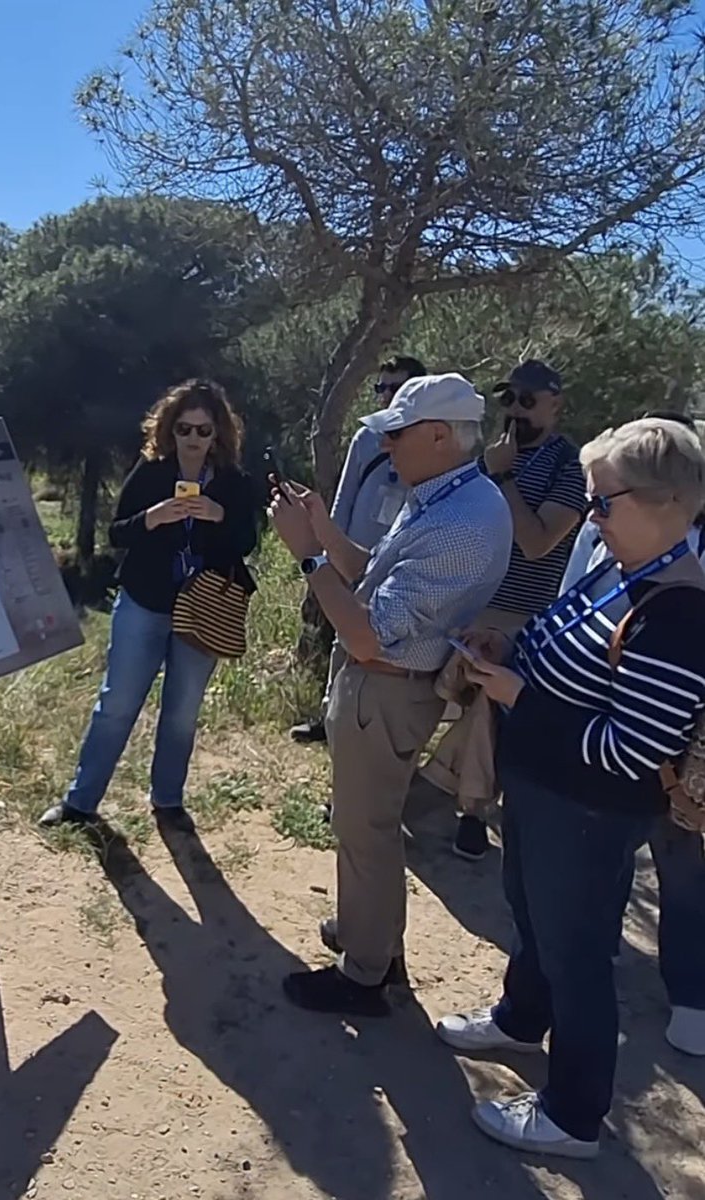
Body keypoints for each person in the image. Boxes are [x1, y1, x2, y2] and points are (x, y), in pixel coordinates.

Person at [437, 418, 705, 1158]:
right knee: (532, 917)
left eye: (604, 502)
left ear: (667, 501)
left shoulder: (680, 611)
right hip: (544, 791)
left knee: (577, 955)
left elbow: (631, 749)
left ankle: (573, 1115)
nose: (592, 516)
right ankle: (521, 1019)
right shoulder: (623, 565)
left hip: (589, 813)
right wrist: (509, 648)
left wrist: (519, 697)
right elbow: (560, 636)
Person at [269, 374, 512, 1016]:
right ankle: (370, 937)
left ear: (439, 436)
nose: (387, 447)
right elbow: (374, 573)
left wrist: (307, 557)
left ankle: (366, 974)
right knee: (365, 827)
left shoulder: (462, 522)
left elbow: (367, 632)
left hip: (386, 689)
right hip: (384, 687)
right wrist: (324, 531)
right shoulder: (445, 495)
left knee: (367, 832)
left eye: (396, 434)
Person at [39, 379, 257, 833]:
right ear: (169, 429)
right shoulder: (153, 470)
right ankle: (79, 802)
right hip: (145, 600)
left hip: (203, 608)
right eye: (184, 429)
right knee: (118, 702)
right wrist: (153, 518)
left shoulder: (232, 481)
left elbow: (246, 541)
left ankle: (168, 801)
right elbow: (117, 532)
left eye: (203, 430)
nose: (193, 439)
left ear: (218, 433)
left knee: (182, 710)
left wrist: (218, 516)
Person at [559, 410, 705, 1058]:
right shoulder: (611, 529)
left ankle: (692, 993)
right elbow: (575, 591)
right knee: (608, 854)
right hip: (617, 710)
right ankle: (605, 951)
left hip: (677, 740)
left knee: (681, 864)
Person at [421, 360, 586, 860]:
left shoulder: (568, 467)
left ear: (555, 406)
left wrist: (505, 476)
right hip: (467, 599)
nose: (515, 410)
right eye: (508, 398)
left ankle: (469, 812)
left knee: (485, 706)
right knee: (433, 693)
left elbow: (538, 543)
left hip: (521, 613)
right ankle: (405, 786)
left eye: (528, 401)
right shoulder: (488, 457)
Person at [290, 354, 426, 744]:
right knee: (343, 637)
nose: (386, 395)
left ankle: (377, 724)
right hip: (353, 552)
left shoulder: (430, 445)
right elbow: (344, 496)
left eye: (395, 388)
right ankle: (330, 716)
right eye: (381, 387)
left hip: (401, 560)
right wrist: (328, 548)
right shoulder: (367, 438)